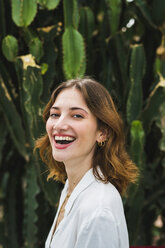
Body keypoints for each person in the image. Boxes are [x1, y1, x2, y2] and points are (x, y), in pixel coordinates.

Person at [35, 77, 138, 248]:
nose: (59, 125)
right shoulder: (71, 188)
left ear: (102, 133)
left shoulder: (97, 212)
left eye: (77, 115)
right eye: (55, 114)